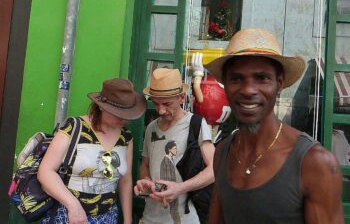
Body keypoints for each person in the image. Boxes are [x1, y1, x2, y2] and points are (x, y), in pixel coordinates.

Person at [204, 28, 344, 224]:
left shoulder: (315, 163)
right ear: (225, 85)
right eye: (237, 78)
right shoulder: (223, 153)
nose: (248, 90)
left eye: (262, 78)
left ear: (279, 84)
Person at [38, 78, 146, 224]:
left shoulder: (126, 137)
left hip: (107, 217)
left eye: (127, 115)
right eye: (117, 113)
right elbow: (45, 172)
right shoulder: (74, 127)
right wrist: (73, 206)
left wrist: (127, 220)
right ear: (101, 107)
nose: (123, 119)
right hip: (69, 215)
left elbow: (125, 180)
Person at [134, 68, 215, 224]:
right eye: (155, 104)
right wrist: (146, 181)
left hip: (184, 218)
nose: (161, 110)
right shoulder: (151, 127)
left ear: (181, 98)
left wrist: (181, 188)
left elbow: (214, 169)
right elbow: (145, 164)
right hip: (150, 217)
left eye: (167, 104)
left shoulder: (196, 124)